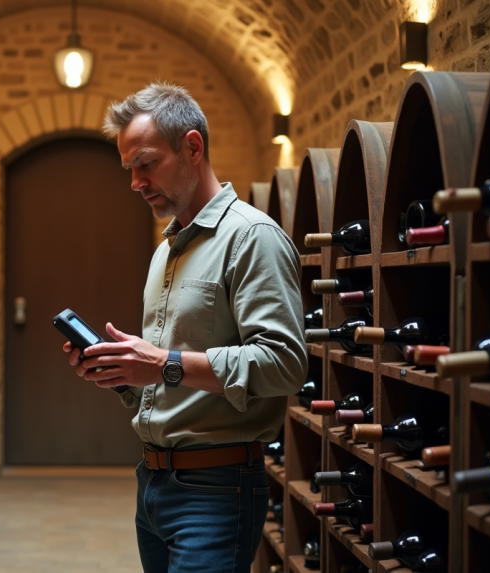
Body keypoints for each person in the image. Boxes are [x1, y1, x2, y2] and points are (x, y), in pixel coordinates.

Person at [63, 82, 307, 573]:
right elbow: (170, 379)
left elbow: (284, 366)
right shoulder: (166, 251)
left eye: (147, 163)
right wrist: (122, 375)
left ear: (192, 147)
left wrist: (162, 363)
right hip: (153, 483)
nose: (135, 181)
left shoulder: (252, 238)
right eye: (129, 168)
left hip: (217, 489)